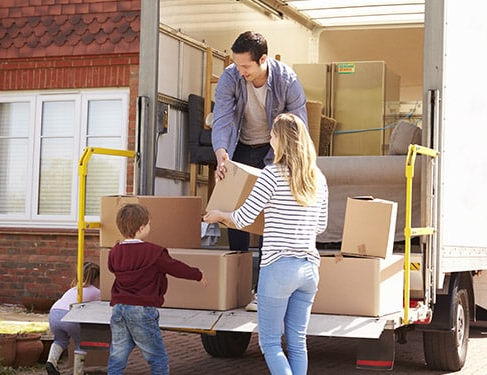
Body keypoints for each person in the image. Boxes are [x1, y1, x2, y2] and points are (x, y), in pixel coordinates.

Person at [204, 113, 328, 375]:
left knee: (270, 343)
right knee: (297, 343)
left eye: (272, 134)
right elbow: (321, 226)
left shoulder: (271, 175)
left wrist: (219, 216)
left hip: (278, 268)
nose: (269, 138)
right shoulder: (318, 178)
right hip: (309, 269)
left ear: (281, 140)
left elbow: (244, 217)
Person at [211, 31, 308, 310]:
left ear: (263, 60)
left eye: (246, 66)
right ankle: (237, 286)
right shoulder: (231, 76)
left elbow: (297, 125)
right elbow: (223, 118)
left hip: (274, 149)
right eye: (237, 64)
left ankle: (263, 291)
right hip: (239, 146)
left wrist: (286, 164)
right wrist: (221, 154)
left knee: (269, 216)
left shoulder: (286, 80)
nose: (240, 71)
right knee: (235, 210)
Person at [107, 203, 208, 375]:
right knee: (158, 358)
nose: (149, 227)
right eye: (148, 224)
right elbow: (175, 268)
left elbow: (112, 268)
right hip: (142, 310)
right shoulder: (154, 252)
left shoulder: (115, 252)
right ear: (141, 228)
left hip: (119, 309)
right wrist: (197, 274)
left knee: (117, 357)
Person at [46, 261, 101, 375]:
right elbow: (98, 308)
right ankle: (78, 372)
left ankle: (51, 362)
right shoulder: (96, 291)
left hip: (54, 313)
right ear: (96, 278)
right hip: (71, 315)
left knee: (60, 340)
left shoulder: (73, 289)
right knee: (81, 343)